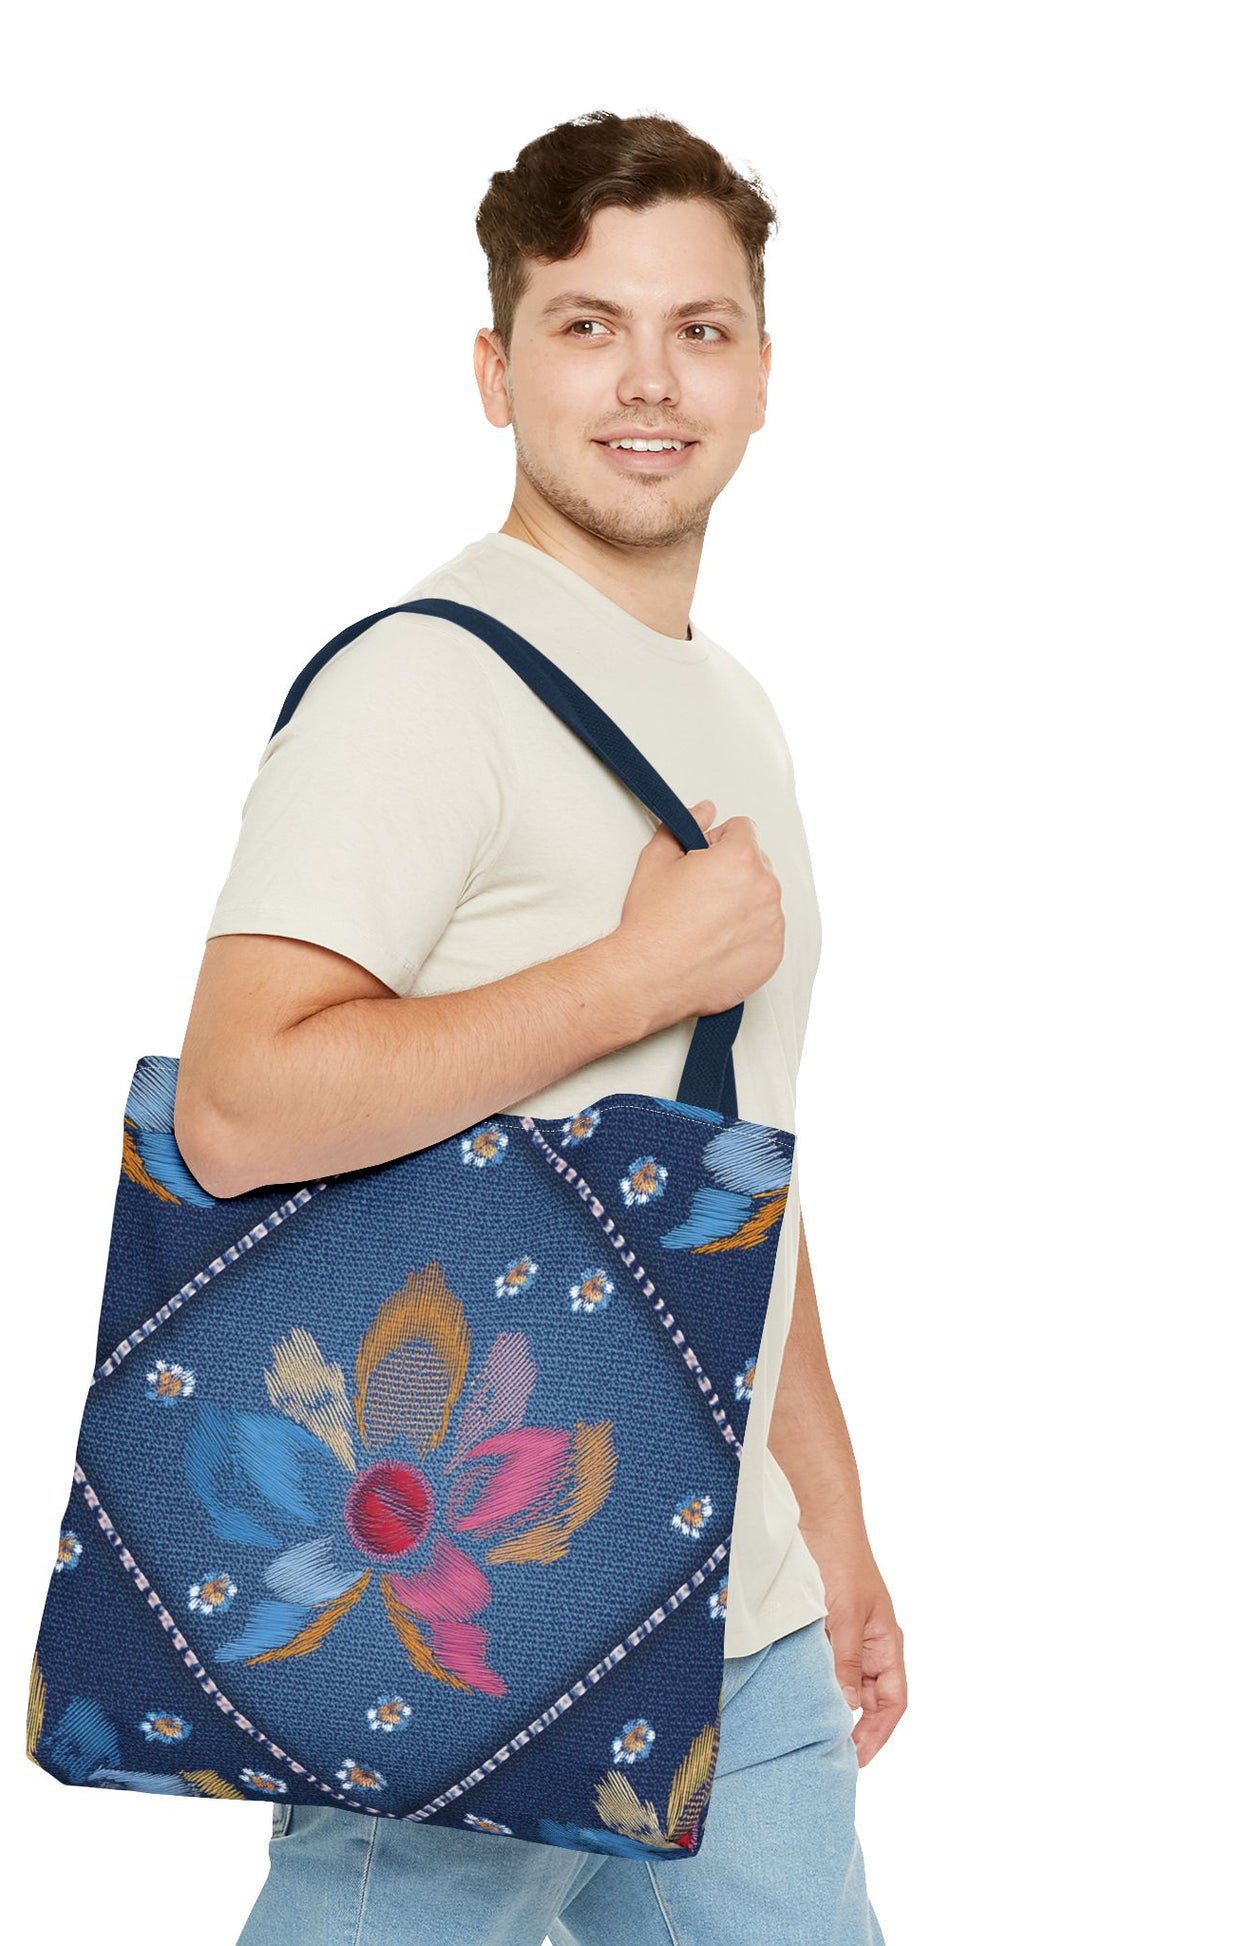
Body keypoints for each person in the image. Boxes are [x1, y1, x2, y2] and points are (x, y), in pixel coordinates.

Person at [175, 108, 902, 1946]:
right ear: (496, 372)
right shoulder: (419, 685)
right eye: (588, 326)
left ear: (760, 373)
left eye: (698, 329)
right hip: (483, 1617)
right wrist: (627, 977)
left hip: (738, 1617)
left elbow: (728, 1150)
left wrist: (827, 1517)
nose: (649, 380)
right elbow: (239, 1106)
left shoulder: (730, 704)